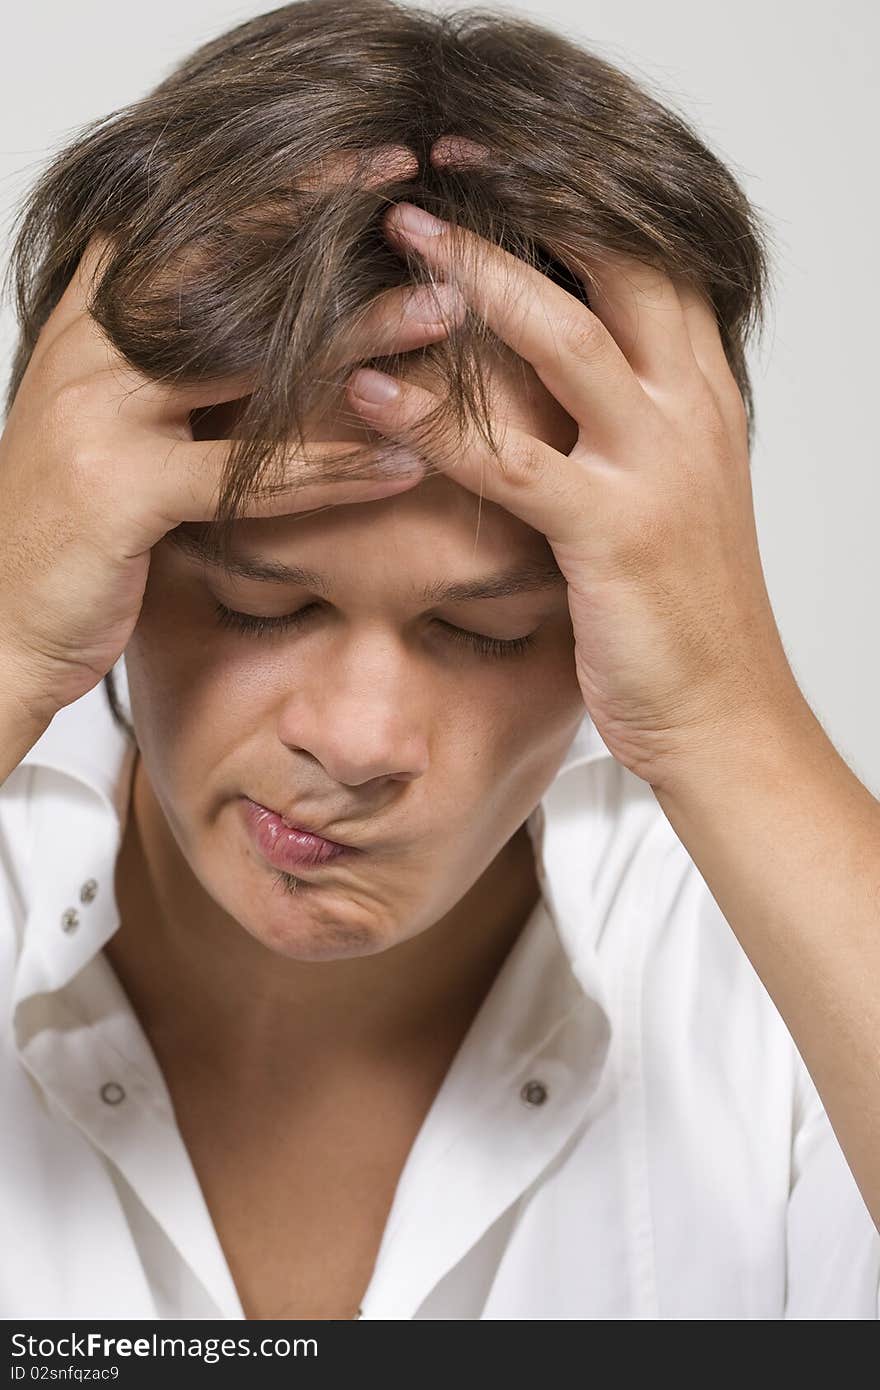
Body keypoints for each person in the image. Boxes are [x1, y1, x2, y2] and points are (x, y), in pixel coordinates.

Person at [1, 0, 878, 1321]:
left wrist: (725, 714)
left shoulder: (765, 984)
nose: (356, 739)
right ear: (111, 550)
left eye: (484, 632)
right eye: (260, 601)